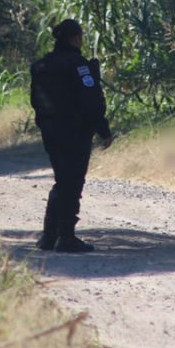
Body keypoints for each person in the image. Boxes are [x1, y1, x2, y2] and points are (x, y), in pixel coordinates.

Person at [30, 19, 113, 253]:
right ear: (75, 38)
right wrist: (103, 130)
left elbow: (35, 100)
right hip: (73, 130)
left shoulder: (41, 65)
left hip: (49, 129)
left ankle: (49, 236)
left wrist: (44, 123)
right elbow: (91, 101)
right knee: (72, 182)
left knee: (62, 180)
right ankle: (65, 237)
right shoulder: (78, 66)